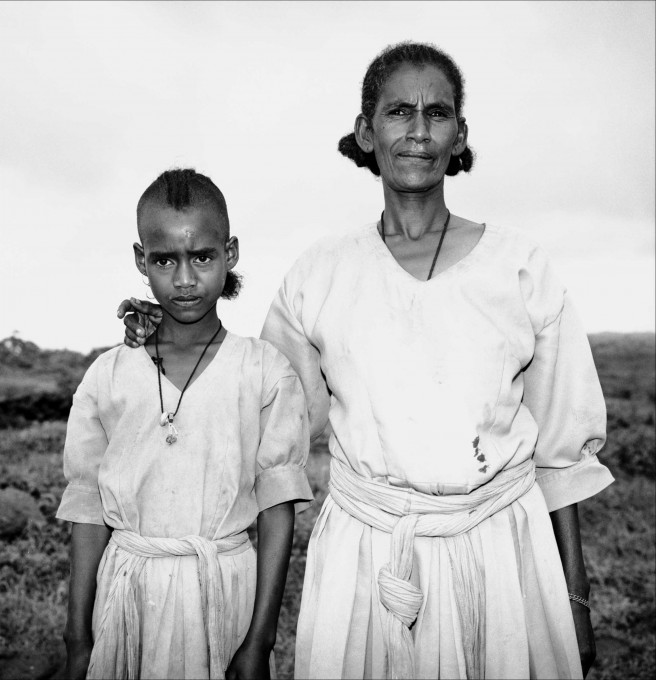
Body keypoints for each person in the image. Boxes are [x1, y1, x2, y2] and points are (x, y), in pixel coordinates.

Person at [121, 43, 614, 680]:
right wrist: (160, 344)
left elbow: (560, 452)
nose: (417, 131)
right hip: (365, 560)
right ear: (366, 130)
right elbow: (267, 414)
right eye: (398, 112)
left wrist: (572, 597)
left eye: (437, 114)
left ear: (459, 135)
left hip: (503, 553)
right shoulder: (320, 276)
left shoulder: (519, 267)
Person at [57, 168, 313, 680]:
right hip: (127, 594)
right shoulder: (109, 375)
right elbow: (87, 510)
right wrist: (79, 638)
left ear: (230, 253)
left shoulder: (263, 370)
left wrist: (258, 643)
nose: (185, 279)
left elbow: (276, 512)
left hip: (225, 592)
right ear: (141, 261)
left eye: (202, 256)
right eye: (164, 260)